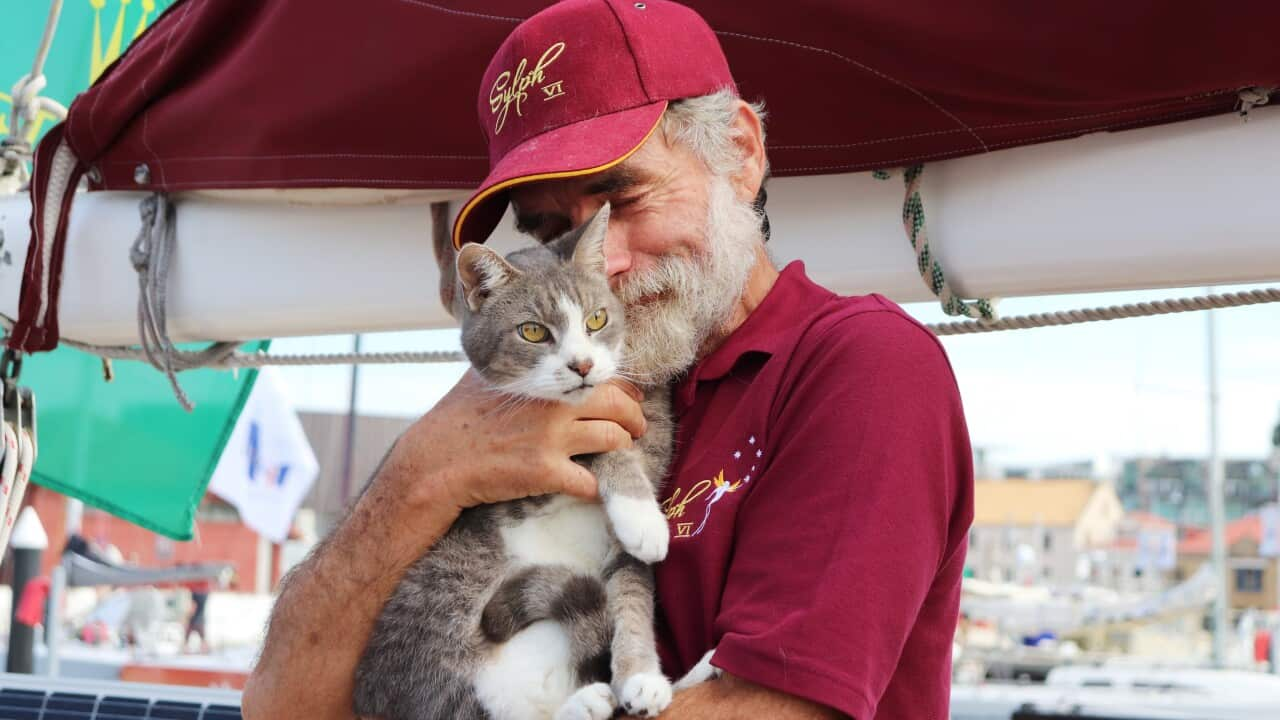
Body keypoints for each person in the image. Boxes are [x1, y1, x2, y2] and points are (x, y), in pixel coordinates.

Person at [243, 1, 973, 718]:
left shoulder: (862, 367)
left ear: (742, 153)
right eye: (554, 230)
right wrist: (415, 476)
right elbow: (283, 705)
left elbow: (770, 708)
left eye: (623, 198)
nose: (603, 262)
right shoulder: (515, 403)